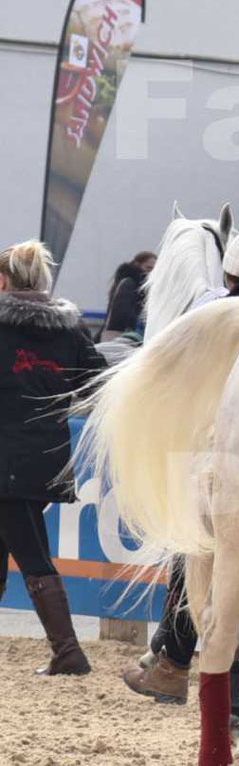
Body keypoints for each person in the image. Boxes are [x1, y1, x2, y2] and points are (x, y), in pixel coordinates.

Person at [123, 201, 239, 718]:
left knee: (206, 559)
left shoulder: (217, 316)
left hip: (231, 460)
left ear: (229, 270)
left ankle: (179, 671)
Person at [0, 240, 106, 675]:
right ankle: (66, 653)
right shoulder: (68, 329)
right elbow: (98, 383)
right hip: (47, 456)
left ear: (4, 281)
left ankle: (69, 653)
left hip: (5, 457)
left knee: (32, 553)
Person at [100, 251, 156, 341]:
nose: (150, 273)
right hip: (119, 334)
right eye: (148, 268)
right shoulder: (129, 283)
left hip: (123, 333)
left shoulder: (134, 285)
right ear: (137, 264)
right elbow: (121, 312)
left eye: (154, 269)